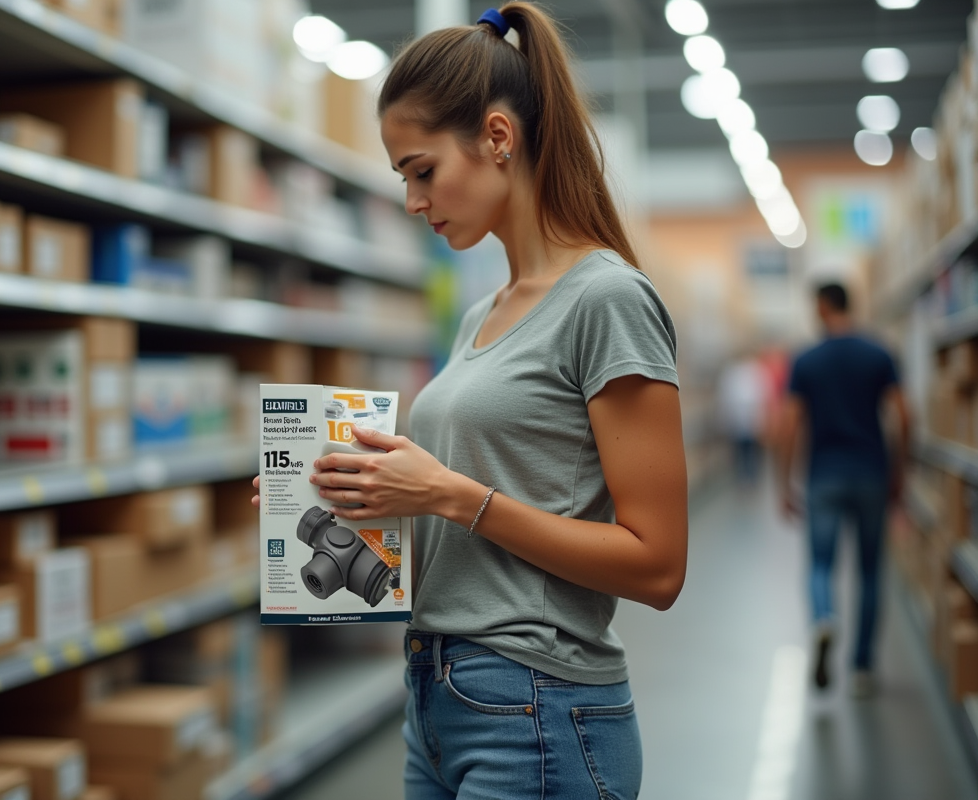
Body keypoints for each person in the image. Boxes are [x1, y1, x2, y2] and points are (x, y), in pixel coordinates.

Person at [255, 5, 687, 796]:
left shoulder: (607, 299)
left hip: (538, 708)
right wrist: (351, 503)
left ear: (497, 136)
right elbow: (470, 534)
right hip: (433, 693)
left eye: (422, 171)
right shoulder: (477, 318)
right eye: (404, 180)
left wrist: (454, 496)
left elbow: (658, 566)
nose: (415, 202)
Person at [777, 282, 911, 698]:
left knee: (820, 564)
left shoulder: (807, 360)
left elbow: (788, 424)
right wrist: (899, 475)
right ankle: (862, 669)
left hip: (824, 476)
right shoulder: (880, 353)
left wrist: (784, 483)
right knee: (870, 571)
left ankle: (824, 617)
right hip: (872, 472)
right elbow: (904, 417)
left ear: (821, 307)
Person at [717, 352, 768, 484]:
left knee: (749, 450)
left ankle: (749, 477)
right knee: (742, 450)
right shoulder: (738, 373)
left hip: (750, 419)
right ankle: (745, 477)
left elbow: (762, 397)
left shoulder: (753, 372)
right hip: (740, 420)